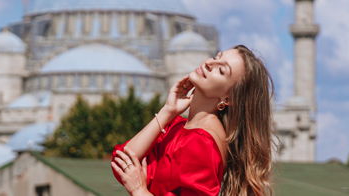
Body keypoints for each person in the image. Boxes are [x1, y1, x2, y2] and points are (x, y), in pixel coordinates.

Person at [111, 44, 274, 196]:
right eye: (216, 57)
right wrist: (167, 111)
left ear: (229, 98)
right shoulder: (179, 126)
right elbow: (122, 162)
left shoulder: (202, 142)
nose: (210, 63)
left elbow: (131, 175)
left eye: (221, 70)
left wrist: (139, 190)